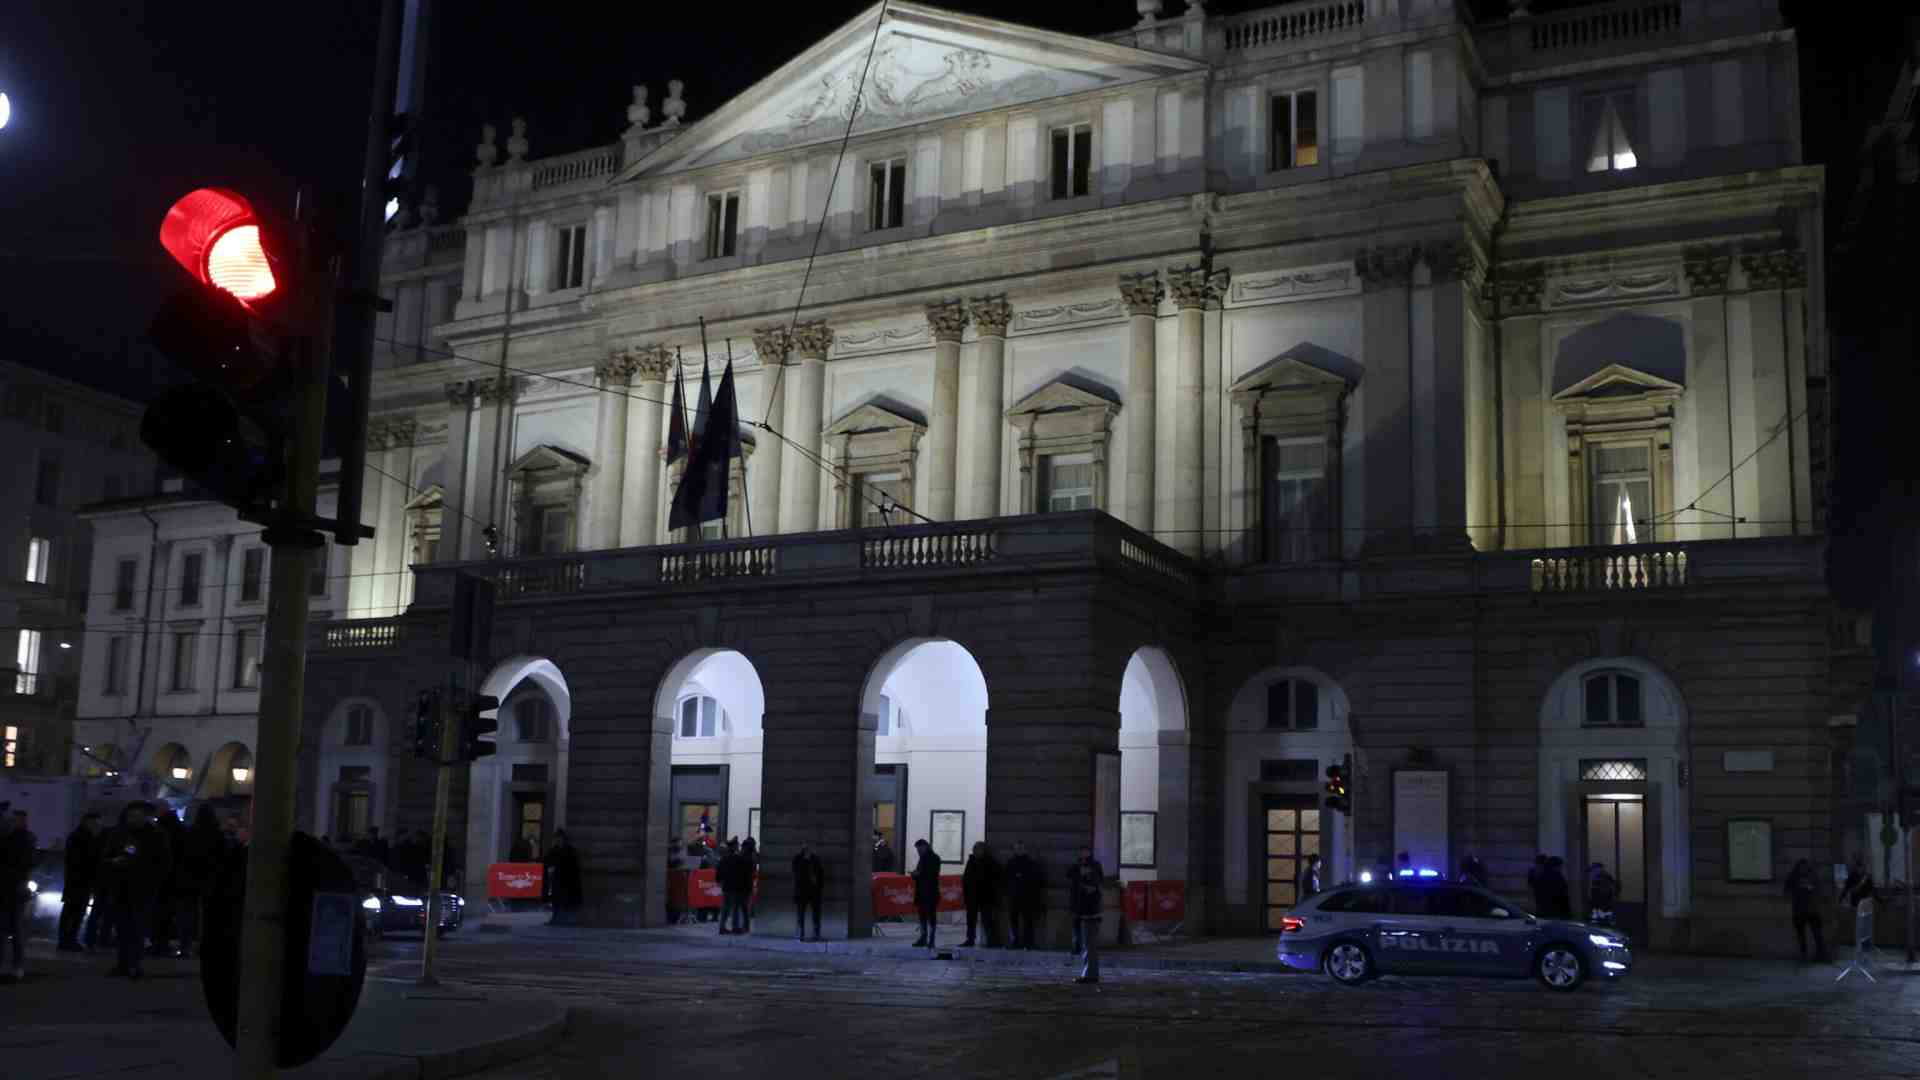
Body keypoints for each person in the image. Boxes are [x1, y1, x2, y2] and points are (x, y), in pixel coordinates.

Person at [99, 801, 171, 979]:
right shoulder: (119, 833)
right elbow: (106, 856)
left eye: (138, 816)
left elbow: (163, 861)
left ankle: (134, 965)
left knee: (138, 928)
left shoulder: (155, 835)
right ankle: (123, 964)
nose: (134, 819)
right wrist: (113, 862)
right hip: (122, 886)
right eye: (131, 816)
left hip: (143, 888)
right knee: (123, 928)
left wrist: (153, 879)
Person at [175, 805, 223, 957]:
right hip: (210, 879)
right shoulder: (218, 835)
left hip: (189, 879)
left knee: (187, 914)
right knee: (207, 915)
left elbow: (182, 856)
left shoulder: (190, 833)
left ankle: (185, 946)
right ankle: (206, 945)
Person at [1, 808, 37, 981]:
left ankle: (16, 965)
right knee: (14, 928)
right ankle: (16, 966)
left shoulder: (20, 839)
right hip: (14, 887)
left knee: (14, 928)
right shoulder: (25, 838)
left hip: (13, 888)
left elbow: (26, 863)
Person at [60, 812, 102, 952]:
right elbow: (87, 860)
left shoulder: (77, 836)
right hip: (80, 881)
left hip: (75, 881)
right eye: (94, 823)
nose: (96, 826)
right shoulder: (84, 838)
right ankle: (69, 940)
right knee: (75, 912)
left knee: (71, 912)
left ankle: (66, 939)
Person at [1068, 846, 1105, 984]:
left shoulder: (1095, 868)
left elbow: (1094, 887)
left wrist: (1087, 877)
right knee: (1086, 944)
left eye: (1086, 851)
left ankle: (1090, 975)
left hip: (1090, 913)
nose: (1083, 853)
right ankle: (1089, 973)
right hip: (1082, 911)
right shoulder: (1077, 866)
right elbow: (1069, 875)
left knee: (1090, 945)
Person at [1784, 858, 1828, 963]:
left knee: (1816, 935)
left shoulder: (1811, 875)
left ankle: (1820, 955)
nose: (1804, 869)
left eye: (1805, 867)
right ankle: (1806, 955)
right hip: (1801, 910)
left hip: (1811, 910)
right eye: (1802, 867)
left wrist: (1810, 889)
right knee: (1803, 936)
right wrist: (1798, 890)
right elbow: (1786, 891)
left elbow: (1819, 890)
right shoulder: (1795, 876)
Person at [1003, 841, 1043, 949]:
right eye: (1017, 848)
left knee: (1028, 921)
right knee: (1013, 921)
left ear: (1025, 849)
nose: (1019, 850)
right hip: (1013, 896)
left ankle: (1028, 943)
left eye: (1021, 848)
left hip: (1027, 897)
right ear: (1014, 850)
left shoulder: (1031, 863)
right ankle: (1014, 942)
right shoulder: (1010, 863)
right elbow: (1006, 879)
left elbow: (1036, 880)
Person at [962, 841, 1000, 948]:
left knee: (987, 919)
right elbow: (966, 879)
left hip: (986, 896)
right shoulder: (971, 861)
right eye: (975, 850)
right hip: (972, 896)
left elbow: (997, 877)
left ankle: (991, 941)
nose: (976, 852)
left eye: (978, 849)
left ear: (983, 850)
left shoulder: (990, 862)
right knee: (971, 919)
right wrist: (966, 893)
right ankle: (970, 939)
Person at [545, 829, 583, 925]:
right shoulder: (554, 850)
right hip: (558, 879)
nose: (557, 840)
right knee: (556, 900)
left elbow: (574, 865)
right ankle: (556, 918)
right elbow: (547, 860)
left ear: (563, 839)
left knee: (566, 900)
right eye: (556, 838)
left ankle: (565, 919)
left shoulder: (570, 850)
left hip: (568, 880)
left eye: (559, 838)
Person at [909, 839, 942, 948]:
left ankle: (931, 939)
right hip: (921, 892)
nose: (918, 851)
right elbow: (920, 873)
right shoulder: (922, 858)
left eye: (919, 848)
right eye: (917, 849)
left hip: (930, 892)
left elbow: (931, 874)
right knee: (922, 915)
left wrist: (918, 874)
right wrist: (914, 874)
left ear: (925, 846)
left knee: (931, 916)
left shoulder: (935, 858)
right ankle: (923, 937)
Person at [792, 842, 825, 941]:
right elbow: (796, 873)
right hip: (803, 890)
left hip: (813, 891)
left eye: (807, 847)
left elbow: (821, 874)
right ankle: (801, 933)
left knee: (815, 913)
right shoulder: (798, 859)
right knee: (801, 913)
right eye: (804, 847)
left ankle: (815, 933)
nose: (806, 849)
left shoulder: (815, 859)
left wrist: (819, 886)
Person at [716, 839, 742, 934]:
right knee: (735, 908)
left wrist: (719, 881)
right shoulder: (737, 858)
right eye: (736, 845)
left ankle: (722, 927)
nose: (737, 847)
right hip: (734, 886)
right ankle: (735, 927)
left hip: (726, 885)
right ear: (733, 847)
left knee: (725, 908)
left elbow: (718, 872)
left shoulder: (724, 858)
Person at [734, 837, 758, 934]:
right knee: (744, 908)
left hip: (742, 885)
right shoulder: (752, 857)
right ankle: (744, 927)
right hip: (746, 885)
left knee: (741, 907)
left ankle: (741, 927)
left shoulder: (744, 857)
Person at [1586, 862, 1618, 928]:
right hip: (1601, 908)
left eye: (1593, 870)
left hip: (1602, 908)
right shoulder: (1602, 877)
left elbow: (1602, 895)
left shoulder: (1603, 878)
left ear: (1599, 869)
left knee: (1603, 926)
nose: (1592, 873)